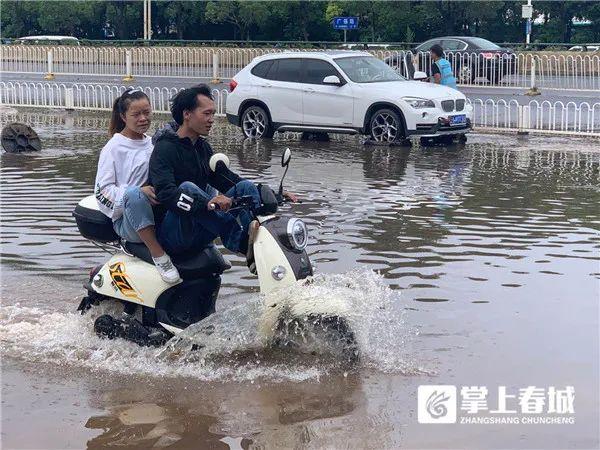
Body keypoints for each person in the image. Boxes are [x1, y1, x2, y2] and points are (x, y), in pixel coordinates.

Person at [149, 85, 295, 262]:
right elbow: (165, 192)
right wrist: (207, 203)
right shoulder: (164, 148)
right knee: (188, 188)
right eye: (206, 114)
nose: (212, 119)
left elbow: (227, 180)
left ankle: (259, 244)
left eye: (213, 114)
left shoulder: (202, 147)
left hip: (200, 226)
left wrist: (271, 193)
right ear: (187, 114)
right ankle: (239, 243)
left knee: (245, 187)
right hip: (173, 235)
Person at [95, 88, 181, 284]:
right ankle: (159, 256)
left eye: (147, 112)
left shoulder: (153, 144)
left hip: (157, 214)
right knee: (134, 194)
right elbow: (102, 192)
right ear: (123, 117)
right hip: (129, 220)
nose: (143, 118)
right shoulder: (113, 148)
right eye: (136, 114)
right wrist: (136, 192)